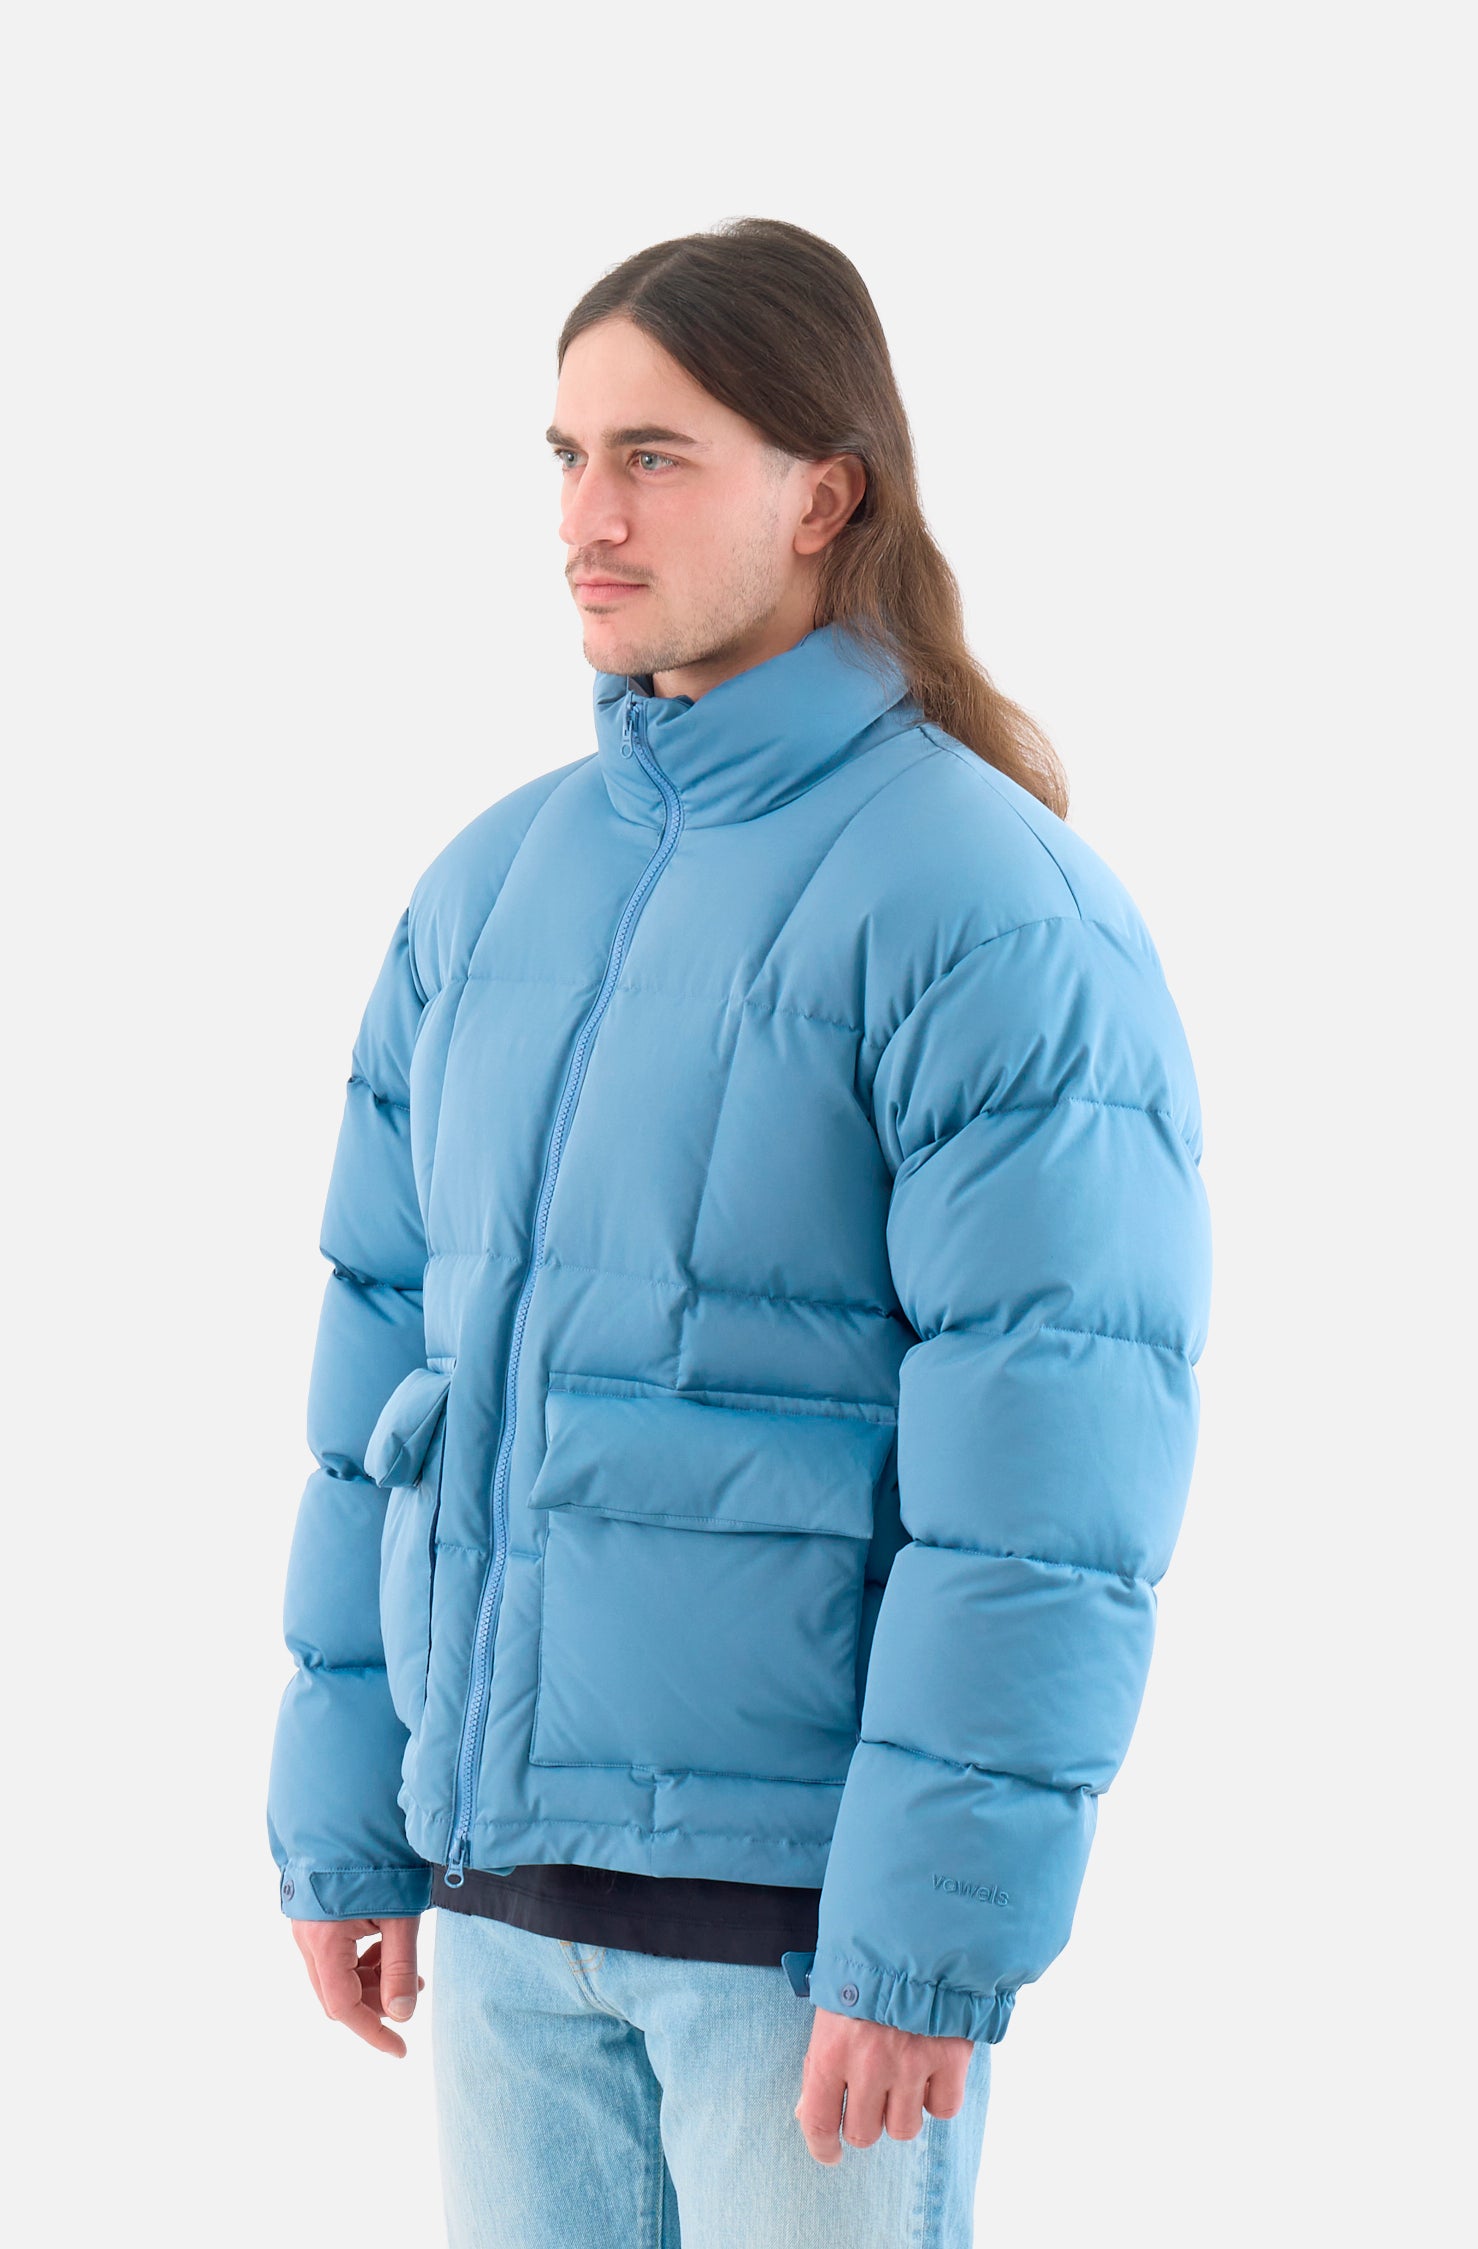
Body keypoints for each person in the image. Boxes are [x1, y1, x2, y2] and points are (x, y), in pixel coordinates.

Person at [266, 216, 1212, 2249]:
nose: (585, 520)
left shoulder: (983, 905)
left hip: (795, 1951)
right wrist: (346, 1818)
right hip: (498, 1920)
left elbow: (1048, 1479)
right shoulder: (485, 892)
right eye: (566, 455)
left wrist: (927, 1936)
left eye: (653, 456)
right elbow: (377, 1379)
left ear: (823, 494)